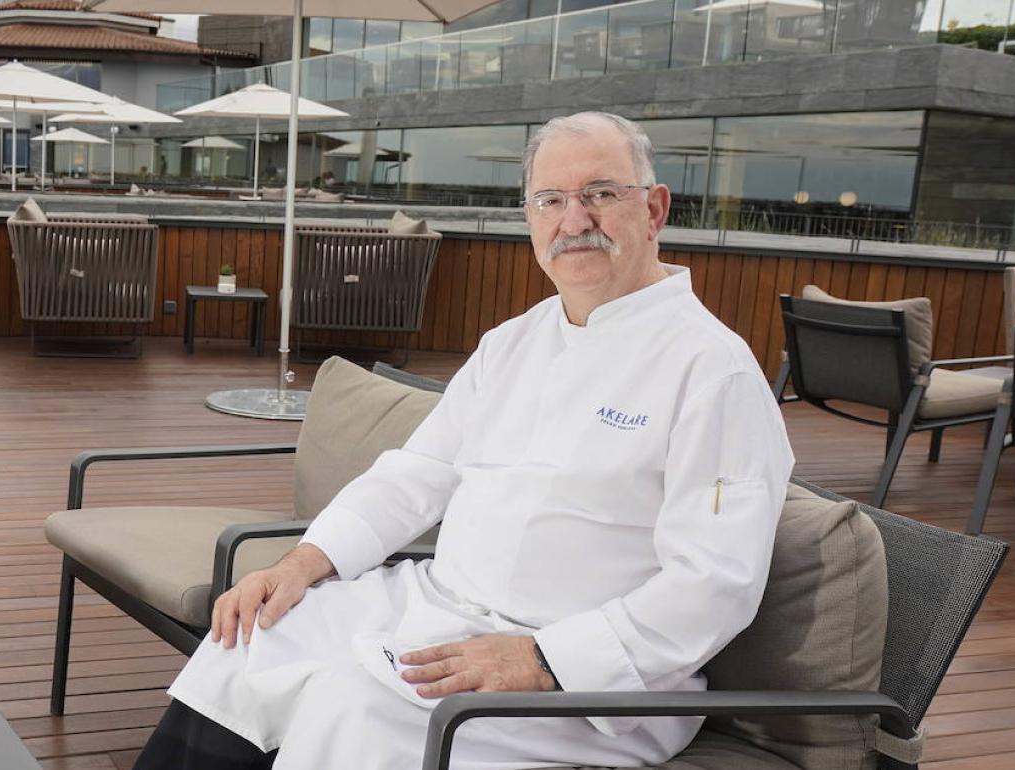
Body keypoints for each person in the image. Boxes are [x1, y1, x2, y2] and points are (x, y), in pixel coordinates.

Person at [134, 111, 795, 770]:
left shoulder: (714, 371)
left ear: (653, 210)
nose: (574, 220)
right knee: (249, 639)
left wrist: (542, 659)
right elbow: (413, 476)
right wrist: (300, 565)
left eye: (599, 193)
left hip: (586, 678)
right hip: (434, 606)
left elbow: (715, 584)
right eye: (551, 200)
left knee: (355, 707)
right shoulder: (510, 344)